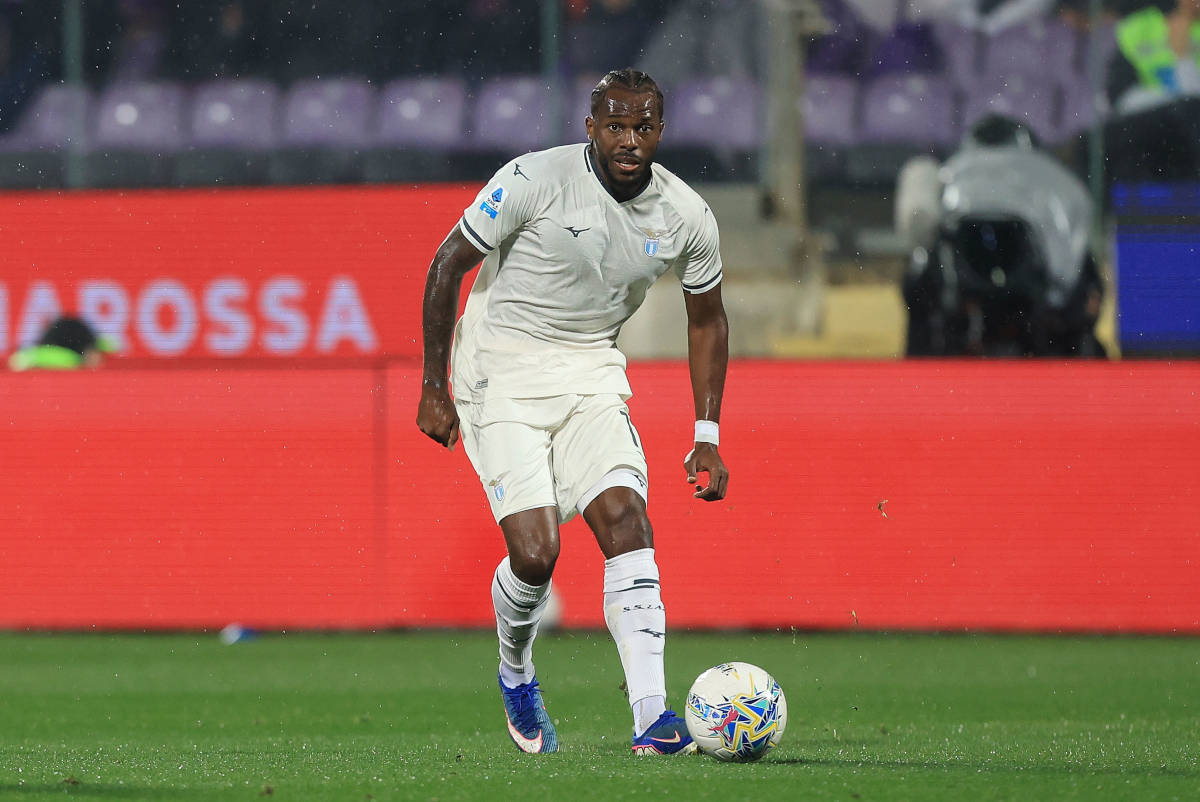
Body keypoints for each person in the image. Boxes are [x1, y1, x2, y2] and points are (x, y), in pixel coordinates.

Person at [416, 68, 730, 755]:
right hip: (498, 366)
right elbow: (447, 265)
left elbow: (706, 318)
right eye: (614, 126)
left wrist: (706, 432)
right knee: (536, 554)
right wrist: (434, 385)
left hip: (589, 369)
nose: (628, 140)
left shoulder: (686, 215)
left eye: (642, 126)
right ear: (590, 128)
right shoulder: (533, 180)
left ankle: (653, 714)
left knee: (626, 519)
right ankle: (516, 668)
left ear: (660, 131)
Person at [8, 316, 116, 370]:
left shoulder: (90, 338)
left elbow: (114, 345)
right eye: (96, 356)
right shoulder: (69, 359)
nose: (97, 363)